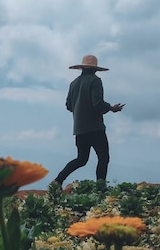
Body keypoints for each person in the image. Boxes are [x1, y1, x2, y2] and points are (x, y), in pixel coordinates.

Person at [52, 54, 124, 188]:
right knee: (103, 158)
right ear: (95, 69)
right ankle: (100, 188)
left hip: (80, 128)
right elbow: (97, 103)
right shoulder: (95, 81)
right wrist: (111, 108)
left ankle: (58, 181)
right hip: (95, 127)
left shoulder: (73, 83)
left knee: (81, 159)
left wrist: (80, 111)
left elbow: (69, 106)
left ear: (82, 68)